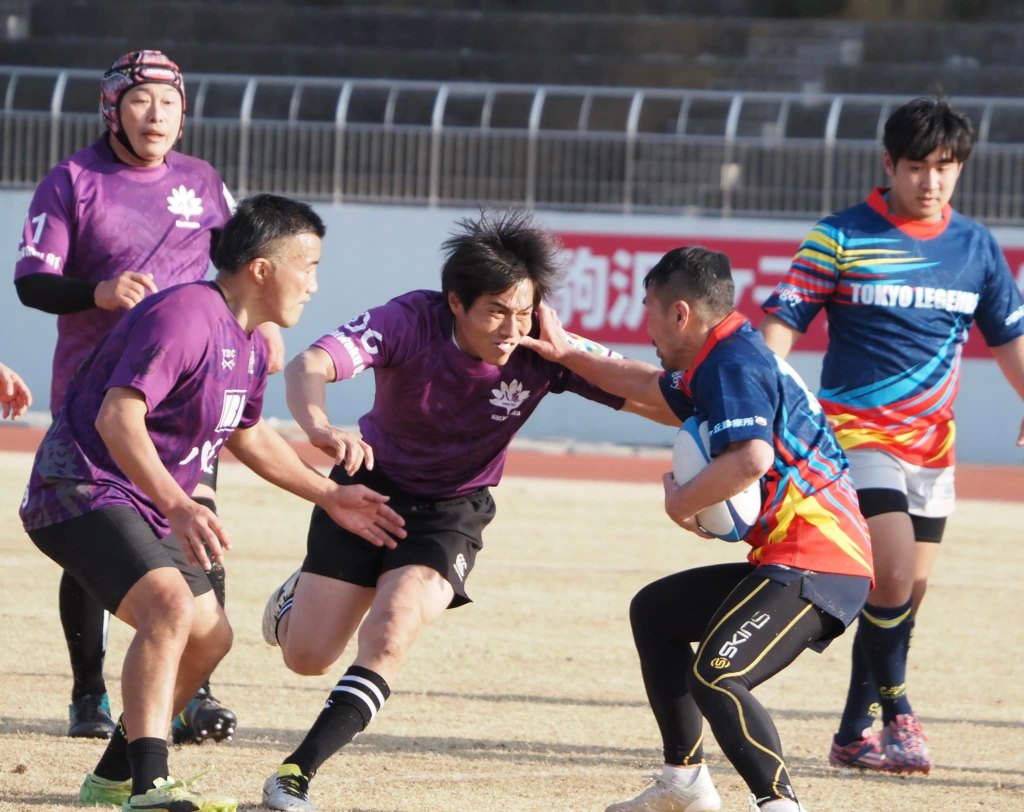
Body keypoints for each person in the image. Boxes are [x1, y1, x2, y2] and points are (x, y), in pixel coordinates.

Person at [19, 194, 406, 812]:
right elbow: (118, 417)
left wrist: (331, 496)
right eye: (306, 265)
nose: (313, 283)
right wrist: (178, 502)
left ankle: (112, 779)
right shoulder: (186, 315)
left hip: (143, 498)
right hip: (80, 486)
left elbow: (246, 435)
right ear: (260, 269)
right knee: (170, 607)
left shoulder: (250, 342)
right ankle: (150, 786)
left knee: (210, 640)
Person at [258, 209, 642, 812]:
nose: (512, 328)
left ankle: (294, 776)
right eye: (496, 311)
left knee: (389, 632)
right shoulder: (409, 319)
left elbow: (660, 401)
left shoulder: (544, 344)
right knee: (307, 656)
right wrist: (320, 425)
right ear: (456, 302)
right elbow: (312, 364)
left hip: (453, 510)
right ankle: (292, 600)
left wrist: (576, 357)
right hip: (368, 489)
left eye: (524, 311)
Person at [522, 246, 874, 812]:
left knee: (717, 675)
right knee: (656, 613)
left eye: (648, 310)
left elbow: (752, 458)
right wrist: (568, 353)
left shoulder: (733, 362)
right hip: (793, 559)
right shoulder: (721, 356)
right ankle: (683, 783)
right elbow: (649, 390)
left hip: (818, 561)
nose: (647, 325)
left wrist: (681, 501)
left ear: (680, 313)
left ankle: (780, 804)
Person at [13, 48, 283, 743]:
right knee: (101, 541)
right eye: (140, 100)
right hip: (104, 403)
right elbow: (31, 281)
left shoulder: (203, 181)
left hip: (191, 400)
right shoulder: (73, 180)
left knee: (198, 525)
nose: (156, 113)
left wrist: (263, 328)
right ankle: (87, 697)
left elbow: (247, 269)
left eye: (169, 101)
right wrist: (96, 292)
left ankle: (195, 693)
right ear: (112, 108)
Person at [759, 96, 1024, 775]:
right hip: (853, 436)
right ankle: (900, 715)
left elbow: (1009, 339)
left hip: (933, 449)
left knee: (902, 600)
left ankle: (852, 732)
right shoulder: (840, 235)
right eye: (916, 167)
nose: (930, 181)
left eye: (945, 168)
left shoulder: (976, 248)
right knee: (894, 574)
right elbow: (785, 317)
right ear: (888, 165)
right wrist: (767, 383)